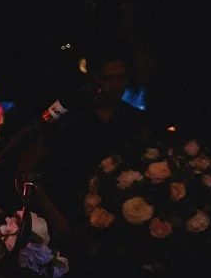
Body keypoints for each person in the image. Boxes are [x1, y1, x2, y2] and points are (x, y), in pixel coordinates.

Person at [31, 53, 148, 245]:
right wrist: (55, 217)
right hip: (73, 221)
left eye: (121, 78)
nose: (115, 86)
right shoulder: (70, 121)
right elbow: (37, 171)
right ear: (94, 78)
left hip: (122, 226)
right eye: (107, 78)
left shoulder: (136, 121)